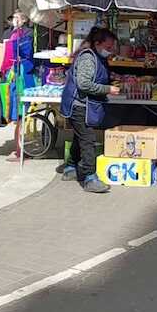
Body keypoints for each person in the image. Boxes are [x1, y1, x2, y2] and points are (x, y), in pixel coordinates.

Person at [59, 27, 121, 193]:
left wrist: (113, 77)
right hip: (78, 105)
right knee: (88, 140)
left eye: (112, 47)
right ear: (97, 43)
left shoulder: (97, 57)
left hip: (85, 105)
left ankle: (70, 168)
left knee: (80, 137)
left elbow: (96, 76)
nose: (110, 51)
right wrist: (107, 89)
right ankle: (89, 177)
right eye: (108, 48)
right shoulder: (88, 58)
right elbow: (84, 84)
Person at [2, 12, 35, 162]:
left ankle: (20, 149)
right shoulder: (9, 33)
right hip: (12, 75)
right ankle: (18, 148)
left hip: (22, 75)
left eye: (16, 18)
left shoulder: (28, 33)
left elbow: (26, 52)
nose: (13, 21)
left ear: (23, 20)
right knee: (16, 114)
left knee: (22, 113)